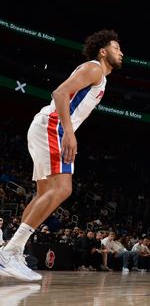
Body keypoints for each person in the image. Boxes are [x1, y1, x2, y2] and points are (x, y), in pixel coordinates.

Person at [0, 30, 122, 282]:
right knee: (63, 188)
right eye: (116, 47)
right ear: (103, 51)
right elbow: (59, 93)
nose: (121, 52)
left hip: (46, 126)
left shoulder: (100, 76)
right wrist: (68, 131)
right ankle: (10, 251)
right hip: (53, 126)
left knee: (45, 194)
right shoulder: (94, 69)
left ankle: (12, 251)